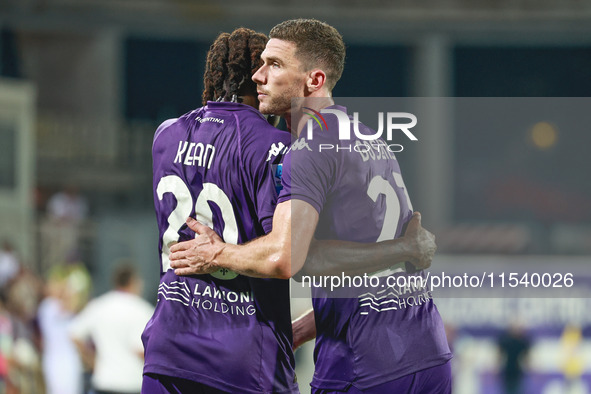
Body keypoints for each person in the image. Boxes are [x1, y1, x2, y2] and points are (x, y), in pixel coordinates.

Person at [145, 26, 437, 394]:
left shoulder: (167, 134)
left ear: (312, 79)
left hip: (173, 348)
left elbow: (289, 257)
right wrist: (406, 249)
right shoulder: (371, 140)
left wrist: (216, 252)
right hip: (420, 348)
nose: (261, 75)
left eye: (274, 65)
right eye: (261, 64)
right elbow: (355, 267)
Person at [69, 263, 153, 394]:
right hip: (133, 382)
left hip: (104, 381)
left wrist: (92, 362)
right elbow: (141, 350)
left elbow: (74, 334)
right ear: (133, 282)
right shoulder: (142, 309)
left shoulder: (99, 306)